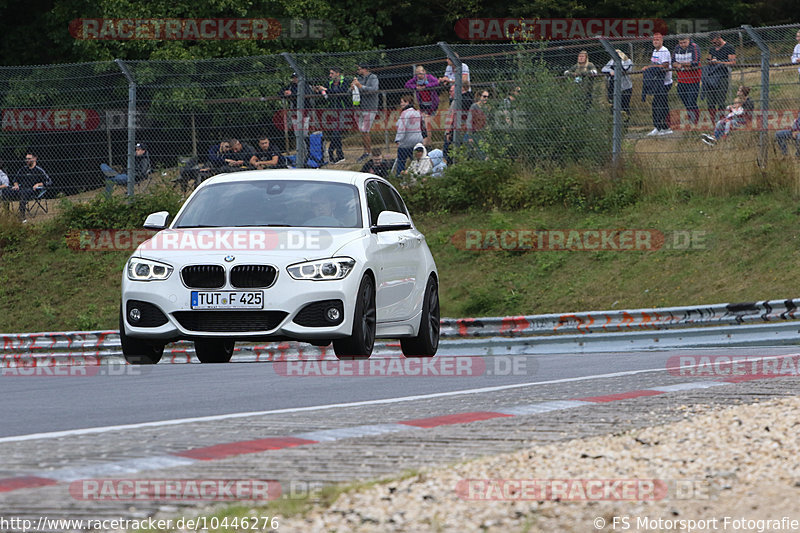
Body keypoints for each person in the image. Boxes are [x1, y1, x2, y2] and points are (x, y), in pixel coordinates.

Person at [314, 67, 349, 164]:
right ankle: (340, 155)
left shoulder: (344, 81)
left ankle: (330, 151)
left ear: (338, 74)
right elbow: (326, 95)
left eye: (332, 73)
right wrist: (319, 90)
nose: (330, 75)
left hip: (343, 110)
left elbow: (341, 92)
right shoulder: (330, 83)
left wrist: (326, 90)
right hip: (332, 110)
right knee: (336, 133)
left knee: (336, 133)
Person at [643, 33, 673, 136]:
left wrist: (652, 68)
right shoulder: (655, 51)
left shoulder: (664, 51)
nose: (655, 41)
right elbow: (653, 64)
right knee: (656, 104)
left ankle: (666, 127)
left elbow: (665, 65)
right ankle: (658, 126)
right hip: (657, 82)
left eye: (658, 40)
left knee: (661, 104)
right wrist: (648, 67)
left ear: (662, 41)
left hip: (664, 83)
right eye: (654, 40)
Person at [703, 32, 736, 121]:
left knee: (721, 100)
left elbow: (733, 63)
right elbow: (708, 60)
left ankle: (721, 119)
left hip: (722, 76)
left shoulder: (729, 47)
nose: (713, 44)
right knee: (710, 101)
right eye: (712, 43)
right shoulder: (712, 49)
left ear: (719, 38)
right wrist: (711, 61)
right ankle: (713, 119)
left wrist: (719, 62)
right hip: (711, 76)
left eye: (714, 42)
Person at [351, 62, 379, 162]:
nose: (358, 71)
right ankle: (366, 151)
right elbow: (350, 91)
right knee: (362, 131)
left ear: (365, 69)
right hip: (359, 108)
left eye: (359, 69)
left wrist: (361, 86)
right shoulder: (360, 79)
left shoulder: (373, 77)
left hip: (370, 107)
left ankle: (368, 152)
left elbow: (374, 89)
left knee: (365, 130)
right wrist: (352, 87)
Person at [12, 152, 51, 221]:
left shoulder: (39, 170)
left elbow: (48, 182)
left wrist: (38, 184)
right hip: (21, 189)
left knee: (23, 193)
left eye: (29, 159)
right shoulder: (23, 170)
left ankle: (22, 216)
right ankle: (5, 214)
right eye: (26, 159)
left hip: (33, 190)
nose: (27, 160)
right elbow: (15, 180)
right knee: (6, 191)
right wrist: (16, 185)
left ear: (35, 159)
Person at [405, 66, 439, 144]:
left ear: (424, 72)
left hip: (432, 105)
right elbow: (407, 84)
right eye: (418, 74)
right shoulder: (416, 80)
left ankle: (428, 143)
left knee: (427, 123)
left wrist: (426, 86)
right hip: (423, 104)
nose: (420, 75)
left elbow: (436, 82)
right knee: (424, 124)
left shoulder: (429, 78)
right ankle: (427, 142)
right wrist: (416, 87)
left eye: (421, 73)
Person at [673, 36, 702, 125]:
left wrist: (681, 64)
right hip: (681, 80)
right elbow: (673, 61)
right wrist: (677, 65)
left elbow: (695, 62)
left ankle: (694, 120)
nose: (682, 45)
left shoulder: (694, 47)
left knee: (691, 101)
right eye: (681, 43)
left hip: (693, 80)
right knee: (685, 102)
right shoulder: (677, 48)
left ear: (688, 40)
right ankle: (691, 118)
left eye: (684, 42)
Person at [394, 94, 425, 175]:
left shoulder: (404, 113)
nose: (401, 104)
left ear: (407, 102)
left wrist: (398, 139)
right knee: (415, 160)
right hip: (417, 139)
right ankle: (418, 174)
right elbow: (422, 125)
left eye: (402, 102)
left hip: (406, 141)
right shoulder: (417, 112)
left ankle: (399, 175)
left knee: (401, 160)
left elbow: (402, 128)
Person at [601, 50, 633, 119]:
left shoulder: (627, 61)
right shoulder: (612, 61)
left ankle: (625, 122)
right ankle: (613, 122)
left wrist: (620, 60)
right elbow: (603, 69)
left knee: (624, 106)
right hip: (613, 87)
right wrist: (610, 71)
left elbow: (625, 69)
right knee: (613, 106)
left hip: (625, 87)